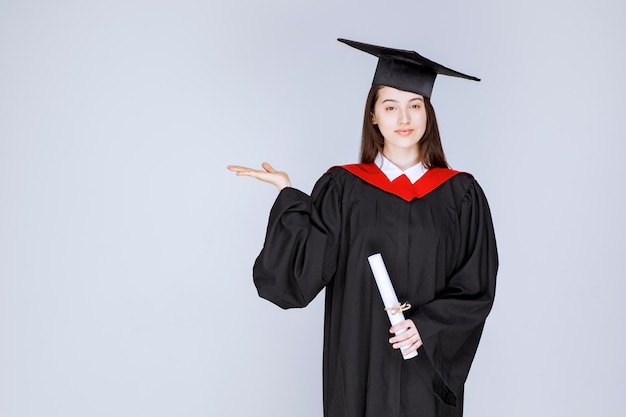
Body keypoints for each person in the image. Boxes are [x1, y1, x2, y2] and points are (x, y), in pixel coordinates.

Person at [227, 38, 498, 417]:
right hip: (358, 364)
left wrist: (427, 326)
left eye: (414, 106)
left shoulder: (460, 195)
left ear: (427, 114)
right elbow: (302, 277)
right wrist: (287, 195)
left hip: (422, 366)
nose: (403, 119)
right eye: (391, 107)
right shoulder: (343, 189)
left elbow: (476, 288)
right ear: (373, 115)